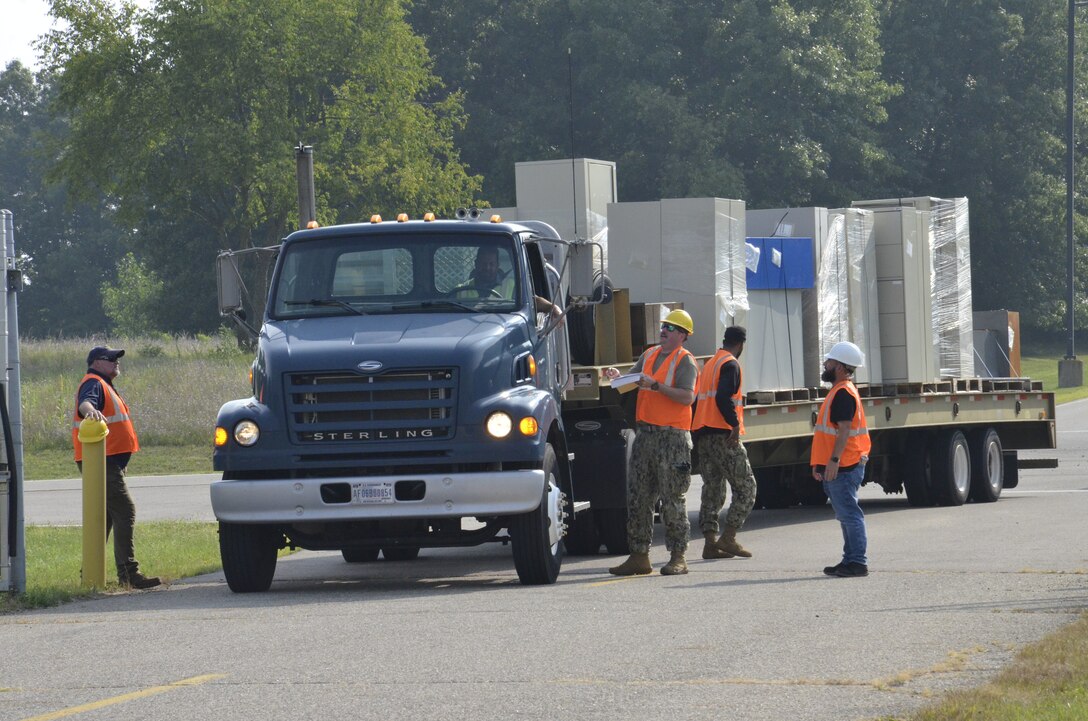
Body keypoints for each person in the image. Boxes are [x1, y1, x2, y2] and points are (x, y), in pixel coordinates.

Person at [604, 309, 698, 576]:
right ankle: (639, 556)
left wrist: (656, 386)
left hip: (673, 438)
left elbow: (687, 397)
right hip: (646, 436)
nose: (664, 331)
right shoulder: (649, 355)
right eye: (663, 326)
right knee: (638, 497)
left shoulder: (685, 361)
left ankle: (678, 556)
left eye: (670, 328)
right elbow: (629, 383)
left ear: (682, 335)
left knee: (672, 499)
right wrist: (616, 377)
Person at [72, 346, 160, 589]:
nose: (116, 362)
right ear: (97, 363)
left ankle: (90, 576)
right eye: (111, 359)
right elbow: (85, 403)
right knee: (125, 510)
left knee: (105, 516)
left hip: (108, 461)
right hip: (102, 461)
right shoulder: (93, 382)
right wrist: (91, 414)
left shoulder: (104, 383)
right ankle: (129, 574)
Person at [692, 325, 757, 560]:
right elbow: (722, 397)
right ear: (740, 344)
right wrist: (734, 424)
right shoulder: (730, 364)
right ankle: (728, 538)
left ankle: (710, 544)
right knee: (747, 487)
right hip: (723, 436)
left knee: (713, 489)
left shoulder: (710, 364)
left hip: (704, 436)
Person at [811, 341, 871, 578]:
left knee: (849, 514)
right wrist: (821, 463)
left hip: (845, 464)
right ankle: (850, 560)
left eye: (829, 361)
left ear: (840, 366)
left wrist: (833, 461)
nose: (825, 364)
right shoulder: (840, 390)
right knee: (846, 514)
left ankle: (857, 562)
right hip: (841, 463)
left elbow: (844, 430)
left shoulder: (843, 393)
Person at [453, 245, 563, 321]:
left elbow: (534, 300)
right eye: (483, 263)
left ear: (497, 265)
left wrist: (553, 308)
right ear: (476, 264)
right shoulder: (461, 290)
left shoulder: (513, 286)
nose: (487, 267)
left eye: (491, 264)